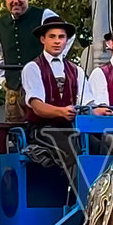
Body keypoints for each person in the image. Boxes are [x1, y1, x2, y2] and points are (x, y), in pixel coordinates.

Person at [19, 15, 91, 184]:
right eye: (52, 37)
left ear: (66, 40)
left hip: (74, 128)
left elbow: (88, 104)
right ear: (43, 39)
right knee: (72, 146)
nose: (57, 41)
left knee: (104, 144)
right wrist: (61, 111)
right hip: (41, 129)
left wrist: (97, 110)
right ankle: (80, 199)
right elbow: (36, 106)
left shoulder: (77, 71)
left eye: (61, 37)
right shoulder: (33, 68)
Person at [0, 0, 58, 125]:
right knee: (15, 133)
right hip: (13, 90)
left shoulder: (44, 15)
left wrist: (54, 59)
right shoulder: (1, 24)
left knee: (43, 129)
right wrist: (2, 79)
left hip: (42, 85)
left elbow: (66, 36)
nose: (15, 1)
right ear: (5, 0)